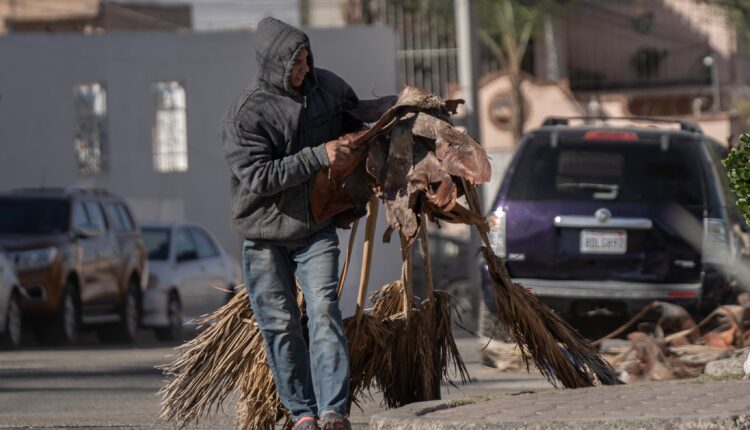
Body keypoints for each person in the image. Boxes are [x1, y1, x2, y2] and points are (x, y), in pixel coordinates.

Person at [220, 16, 366, 430]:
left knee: (324, 309)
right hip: (263, 234)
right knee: (280, 325)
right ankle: (302, 413)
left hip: (315, 225)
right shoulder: (244, 116)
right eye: (294, 66)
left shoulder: (327, 88)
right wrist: (320, 155)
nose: (303, 72)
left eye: (305, 61)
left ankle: (333, 410)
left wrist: (398, 115)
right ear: (273, 66)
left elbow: (356, 120)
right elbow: (260, 178)